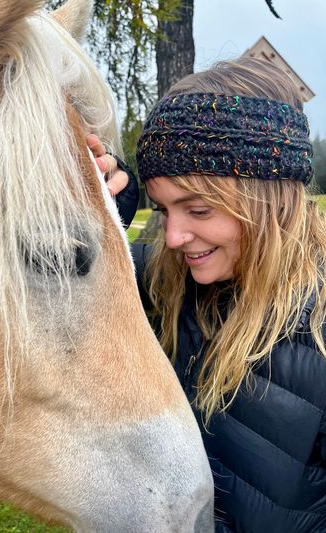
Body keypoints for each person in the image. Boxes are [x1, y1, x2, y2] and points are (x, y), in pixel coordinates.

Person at [88, 57, 326, 532]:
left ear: (269, 197)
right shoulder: (167, 280)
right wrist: (105, 223)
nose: (174, 237)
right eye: (162, 209)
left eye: (197, 209)